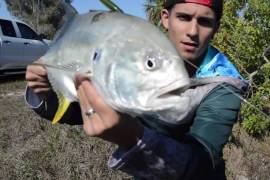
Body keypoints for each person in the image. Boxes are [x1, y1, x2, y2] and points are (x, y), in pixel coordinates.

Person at [25, 0, 248, 179]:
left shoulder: (224, 84)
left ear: (216, 28)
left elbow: (201, 164)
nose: (192, 31)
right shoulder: (135, 57)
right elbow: (78, 112)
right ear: (166, 18)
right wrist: (44, 93)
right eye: (184, 17)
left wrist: (133, 138)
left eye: (205, 22)